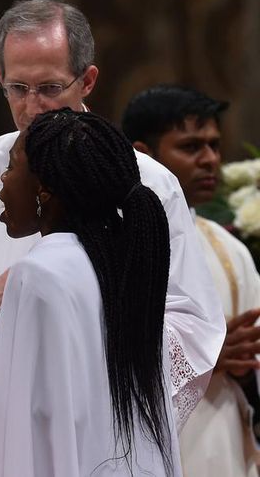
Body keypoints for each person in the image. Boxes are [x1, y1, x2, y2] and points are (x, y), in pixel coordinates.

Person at [0, 0, 225, 430]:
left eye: (50, 88)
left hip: (89, 427)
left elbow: (191, 321)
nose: (33, 107)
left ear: (87, 81)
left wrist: (70, 320)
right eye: (17, 88)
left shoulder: (146, 182)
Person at [0, 107, 180, 475]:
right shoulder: (115, 259)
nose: (1, 182)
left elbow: (30, 419)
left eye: (11, 167)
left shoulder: (42, 272)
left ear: (44, 190)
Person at [123, 84, 260, 476]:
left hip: (226, 442)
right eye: (191, 147)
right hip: (154, 447)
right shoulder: (115, 243)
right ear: (143, 155)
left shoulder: (229, 249)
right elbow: (101, 350)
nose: (211, 160)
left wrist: (244, 362)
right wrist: (203, 358)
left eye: (214, 146)